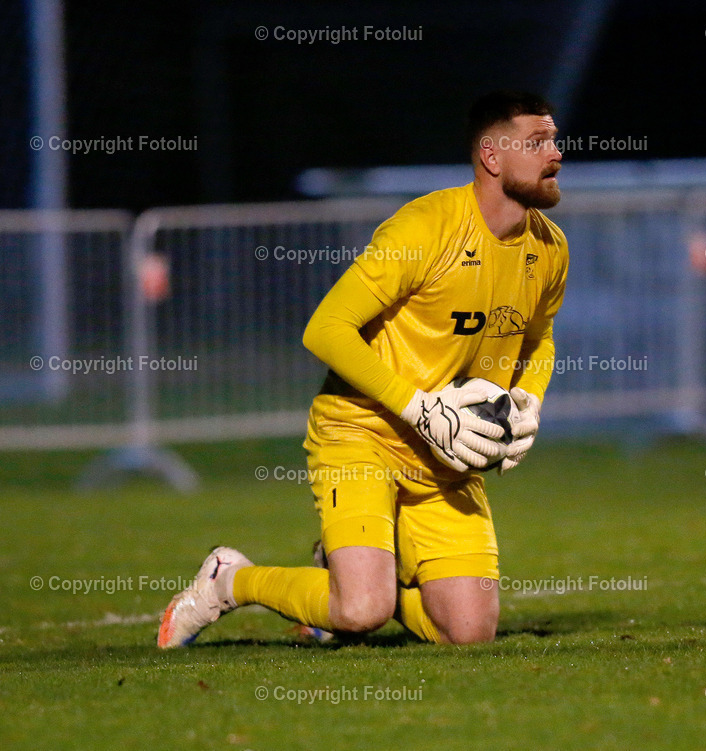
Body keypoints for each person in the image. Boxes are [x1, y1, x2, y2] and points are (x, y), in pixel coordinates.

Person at [157, 90, 569, 648]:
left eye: (554, 138)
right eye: (538, 141)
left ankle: (349, 565)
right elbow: (324, 328)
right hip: (363, 433)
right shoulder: (426, 227)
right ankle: (230, 579)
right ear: (492, 158)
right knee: (362, 610)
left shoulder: (549, 249)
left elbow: (538, 339)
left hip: (443, 457)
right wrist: (418, 406)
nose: (556, 153)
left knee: (469, 635)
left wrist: (530, 401)